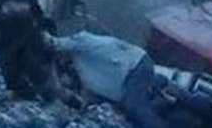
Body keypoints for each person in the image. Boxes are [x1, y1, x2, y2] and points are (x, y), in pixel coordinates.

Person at [47, 31, 183, 128]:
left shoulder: (78, 44)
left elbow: (75, 39)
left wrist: (55, 43)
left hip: (134, 66)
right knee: (132, 113)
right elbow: (90, 93)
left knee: (135, 108)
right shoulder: (80, 68)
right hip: (129, 74)